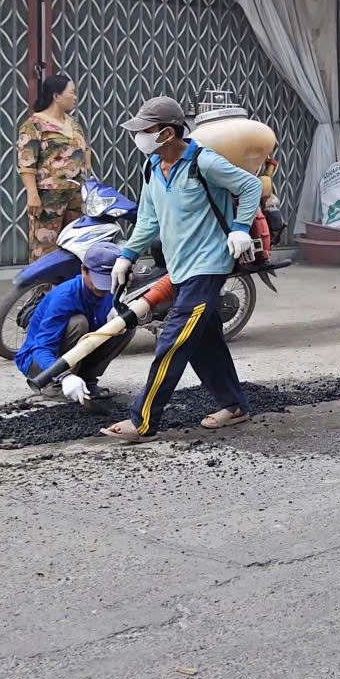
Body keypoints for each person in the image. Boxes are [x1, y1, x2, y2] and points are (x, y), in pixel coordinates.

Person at [100, 96, 263, 443]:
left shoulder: (204, 162)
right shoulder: (151, 167)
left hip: (209, 265)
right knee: (203, 339)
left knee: (173, 341)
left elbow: (250, 185)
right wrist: (127, 255)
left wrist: (240, 228)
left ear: (168, 133)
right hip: (179, 267)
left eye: (145, 130)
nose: (138, 136)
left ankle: (143, 421)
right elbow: (149, 219)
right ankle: (234, 406)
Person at [15, 241, 131, 405]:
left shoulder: (113, 289)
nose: (103, 289)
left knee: (125, 323)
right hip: (38, 363)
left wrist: (117, 312)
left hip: (76, 354)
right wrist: (65, 377)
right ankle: (54, 386)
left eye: (108, 281)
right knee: (78, 323)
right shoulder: (64, 297)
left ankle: (87, 381)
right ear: (83, 270)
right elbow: (41, 349)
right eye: (98, 281)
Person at [17, 73, 91, 261]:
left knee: (75, 246)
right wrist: (32, 194)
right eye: (71, 93)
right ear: (56, 96)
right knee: (45, 248)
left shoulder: (73, 124)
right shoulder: (34, 124)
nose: (75, 97)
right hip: (48, 196)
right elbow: (26, 162)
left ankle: (69, 280)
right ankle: (43, 281)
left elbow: (85, 149)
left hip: (75, 195)